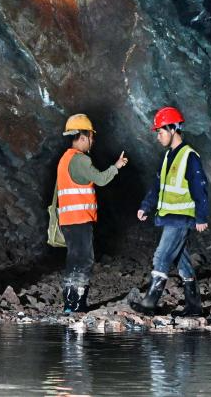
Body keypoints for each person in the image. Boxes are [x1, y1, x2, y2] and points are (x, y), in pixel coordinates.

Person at [132, 106, 209, 317]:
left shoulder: (189, 156)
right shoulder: (168, 157)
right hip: (169, 216)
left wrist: (201, 216)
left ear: (173, 129)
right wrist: (146, 206)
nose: (158, 136)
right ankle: (194, 305)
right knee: (180, 259)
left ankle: (150, 302)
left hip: (181, 218)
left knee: (162, 255)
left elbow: (200, 187)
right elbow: (158, 186)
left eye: (161, 131)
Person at [54, 113, 128, 313]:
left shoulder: (64, 159)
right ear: (84, 136)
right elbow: (102, 179)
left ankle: (70, 303)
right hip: (80, 219)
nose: (92, 141)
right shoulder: (80, 160)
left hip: (68, 220)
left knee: (74, 259)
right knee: (84, 260)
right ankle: (77, 304)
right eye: (91, 137)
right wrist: (116, 167)